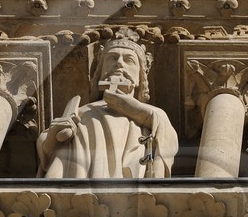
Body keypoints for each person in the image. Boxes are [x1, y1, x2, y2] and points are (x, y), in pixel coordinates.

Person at [38, 32, 176, 178]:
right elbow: (48, 150)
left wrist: (132, 109)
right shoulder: (80, 112)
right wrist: (54, 136)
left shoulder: (154, 115)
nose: (119, 63)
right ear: (101, 71)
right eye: (112, 58)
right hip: (80, 180)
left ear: (140, 76)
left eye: (129, 60)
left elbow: (167, 143)